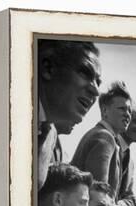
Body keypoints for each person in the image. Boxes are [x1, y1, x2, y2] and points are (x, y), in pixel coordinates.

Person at [37, 40, 101, 190]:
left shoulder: (48, 132)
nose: (96, 91)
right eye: (85, 73)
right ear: (48, 68)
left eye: (98, 82)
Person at [71, 81, 134, 206]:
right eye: (122, 109)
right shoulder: (104, 139)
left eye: (129, 110)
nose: (128, 114)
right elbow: (100, 203)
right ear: (105, 111)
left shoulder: (104, 136)